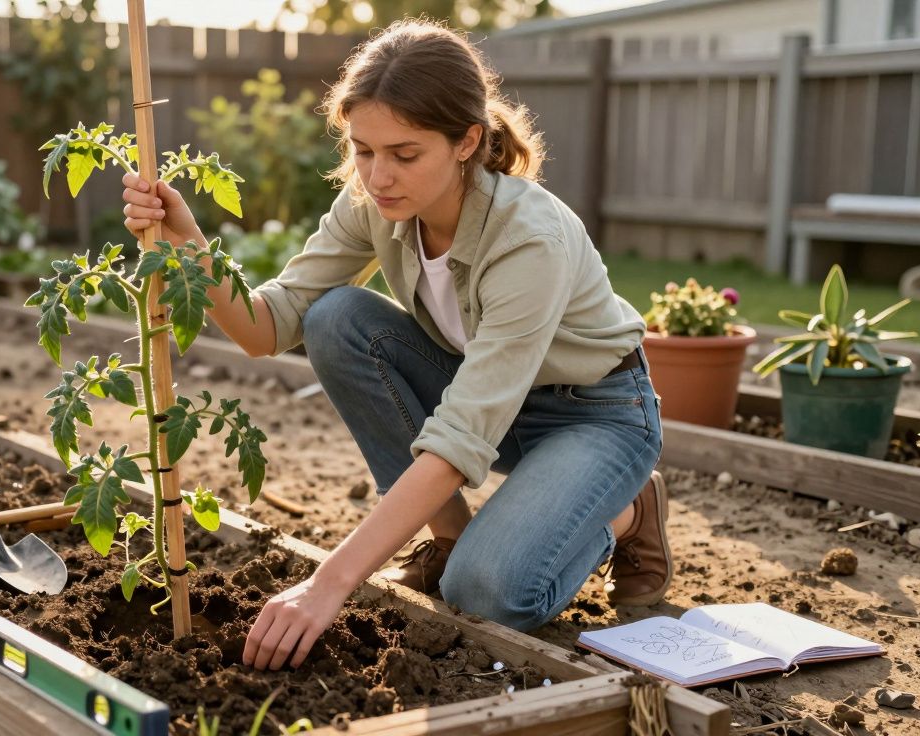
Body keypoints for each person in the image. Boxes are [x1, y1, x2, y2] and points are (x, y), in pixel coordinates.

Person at [120, 18, 671, 671]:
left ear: (468, 141)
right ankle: (449, 537)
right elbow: (266, 328)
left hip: (594, 415)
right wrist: (187, 240)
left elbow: (461, 433)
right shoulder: (375, 203)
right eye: (363, 150)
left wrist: (328, 585)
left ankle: (625, 515)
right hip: (496, 406)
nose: (378, 176)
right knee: (337, 319)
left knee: (487, 592)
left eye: (404, 154)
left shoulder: (528, 238)